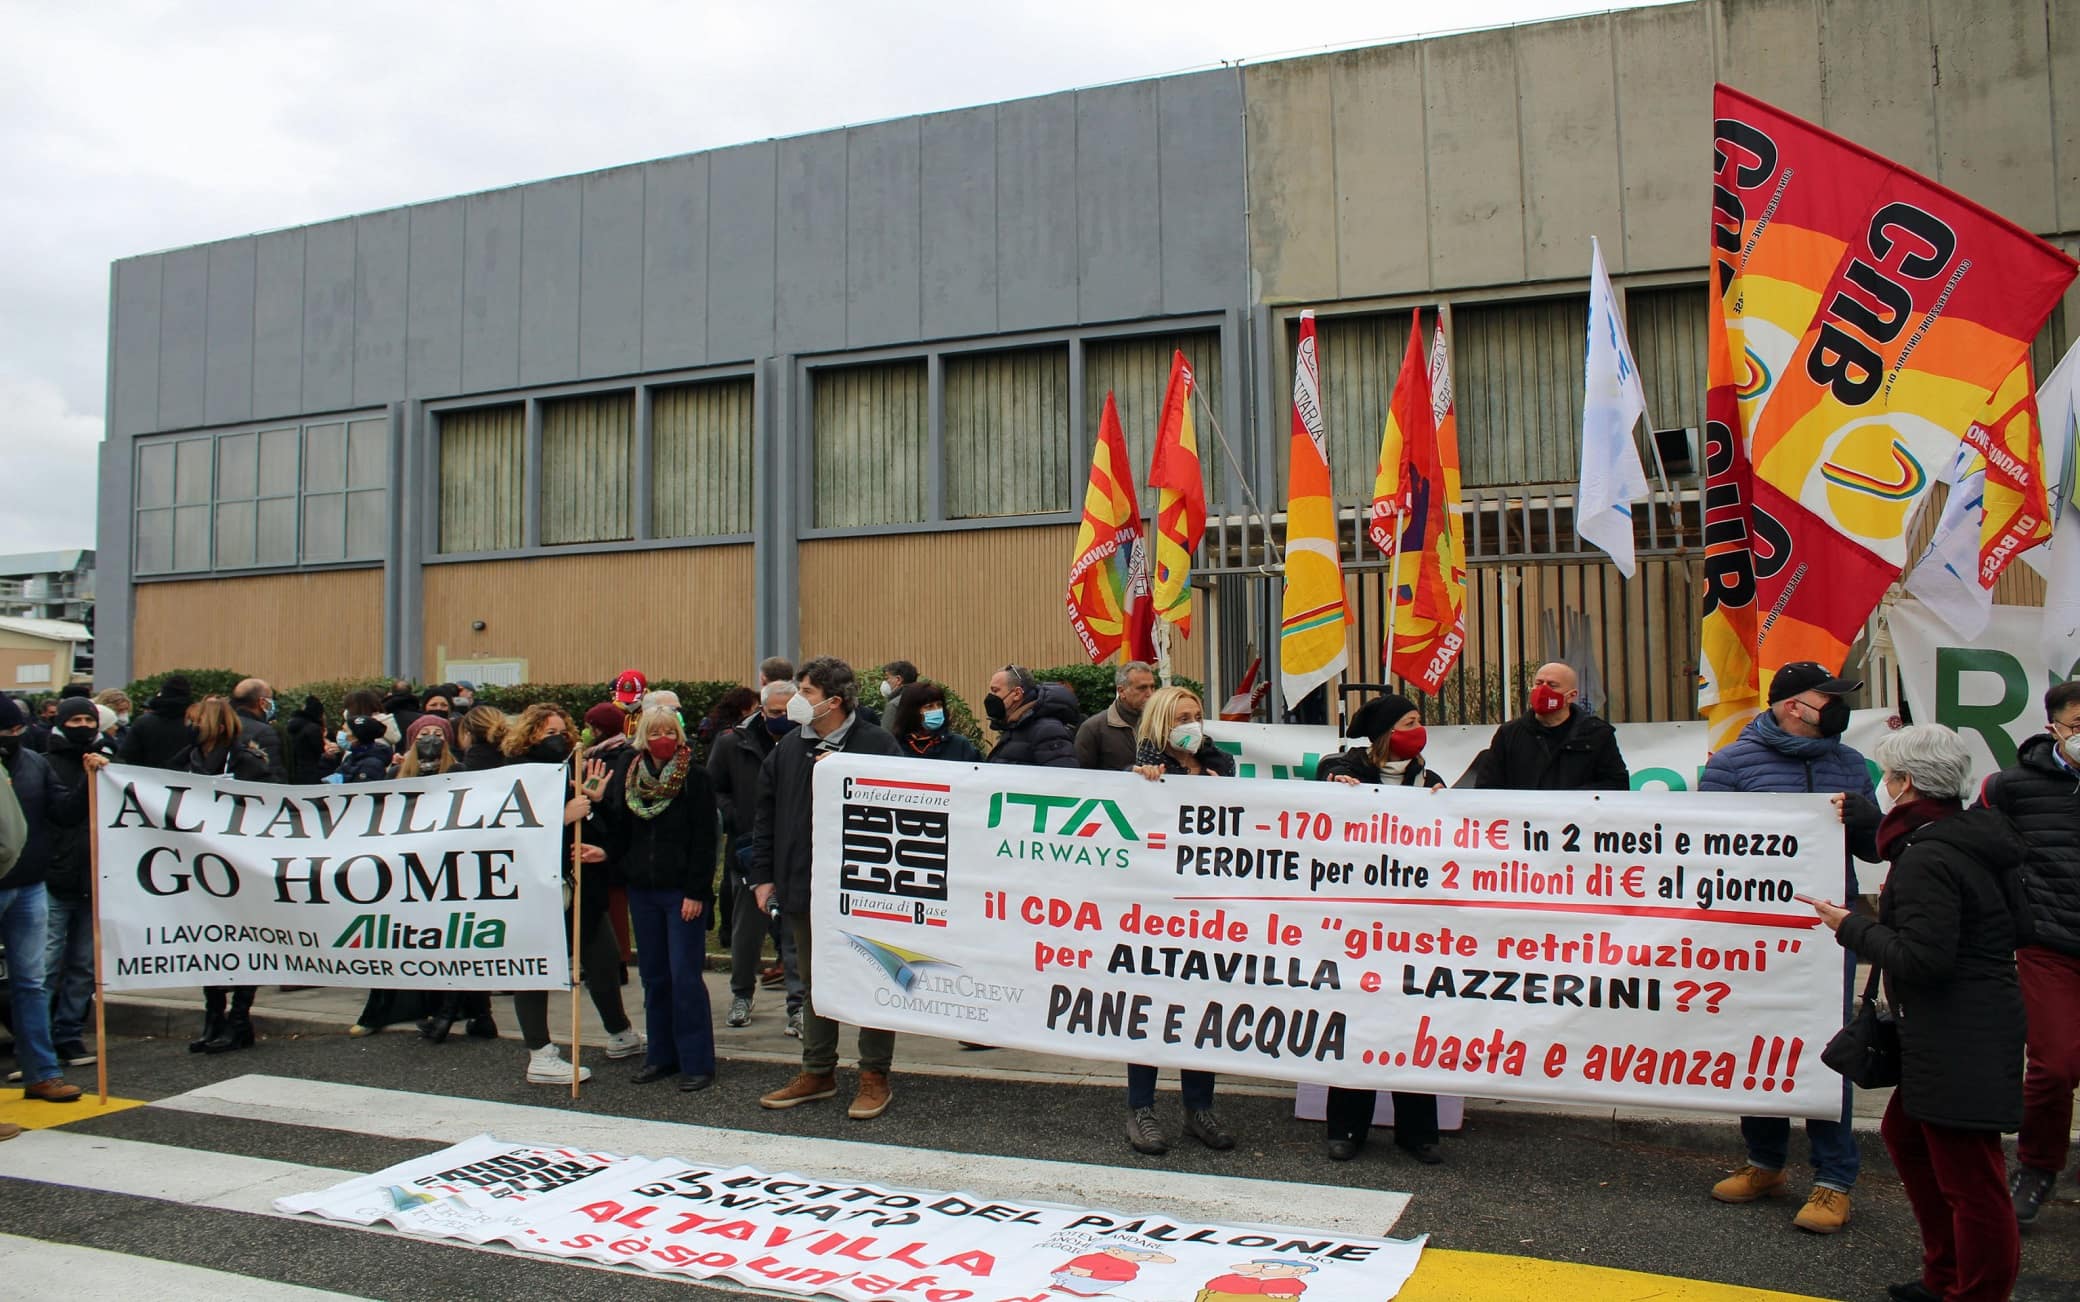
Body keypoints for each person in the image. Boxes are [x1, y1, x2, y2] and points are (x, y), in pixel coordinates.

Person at [1801, 725, 2026, 1302]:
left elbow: (1925, 958)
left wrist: (1849, 926)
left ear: (1905, 783)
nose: (1883, 785)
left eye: (1888, 777)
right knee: (1907, 1135)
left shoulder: (1929, 855)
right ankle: (1945, 1276)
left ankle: (1973, 1291)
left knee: (1972, 1181)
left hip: (1959, 1030)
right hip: (1962, 1025)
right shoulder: (1968, 834)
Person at [1700, 661, 1880, 1232]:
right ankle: (1765, 1161)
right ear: (1791, 705)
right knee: (1760, 1040)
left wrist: (1868, 819)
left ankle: (1833, 1179)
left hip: (1833, 929)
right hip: (1756, 931)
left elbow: (1875, 851)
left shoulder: (1849, 763)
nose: (1837, 706)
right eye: (1827, 696)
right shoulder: (1731, 764)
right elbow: (1706, 850)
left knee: (1832, 1046)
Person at [752, 657, 903, 1119]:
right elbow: (766, 814)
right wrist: (763, 875)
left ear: (834, 702)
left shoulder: (877, 745)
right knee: (817, 980)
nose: (797, 700)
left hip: (867, 889)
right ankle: (818, 1070)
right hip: (804, 885)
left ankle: (874, 1075)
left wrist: (849, 772)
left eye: (807, 692)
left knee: (874, 976)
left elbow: (901, 810)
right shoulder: (789, 747)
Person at [1314, 694, 1446, 1165]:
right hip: (1356, 922)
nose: (1419, 728)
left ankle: (1418, 1131)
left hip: (1410, 924)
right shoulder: (1342, 767)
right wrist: (1335, 786)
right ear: (1388, 731)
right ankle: (1346, 1127)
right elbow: (1321, 789)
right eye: (1410, 721)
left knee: (1411, 1021)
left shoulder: (1430, 780)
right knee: (1356, 1019)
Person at [1978, 679, 2080, 1226]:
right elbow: (1978, 851)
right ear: (2054, 728)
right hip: (2049, 943)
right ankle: (2038, 1166)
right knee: (2055, 1065)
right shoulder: (2009, 788)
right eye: (2079, 726)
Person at [500, 703, 642, 1084]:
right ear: (529, 735)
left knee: (603, 958)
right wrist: (560, 819)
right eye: (549, 733)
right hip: (536, 890)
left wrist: (592, 807)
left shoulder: (565, 773)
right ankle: (540, 1052)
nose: (559, 739)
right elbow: (510, 832)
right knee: (535, 968)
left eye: (563, 731)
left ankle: (619, 1032)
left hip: (579, 888)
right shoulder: (517, 777)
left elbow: (597, 830)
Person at [1125, 684, 1235, 1154]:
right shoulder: (1140, 769)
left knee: (1200, 1007)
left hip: (1206, 906)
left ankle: (1198, 1108)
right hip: (1154, 908)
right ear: (1160, 722)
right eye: (1180, 717)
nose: (1191, 724)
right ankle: (1141, 1109)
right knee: (1148, 1006)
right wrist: (1140, 780)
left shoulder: (1221, 764)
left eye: (1196, 715)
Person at [608, 706, 719, 1090]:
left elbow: (706, 841)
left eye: (669, 732)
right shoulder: (629, 776)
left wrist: (697, 892)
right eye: (655, 732)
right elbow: (619, 827)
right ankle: (661, 1055)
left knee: (685, 977)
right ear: (643, 736)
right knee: (654, 977)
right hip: (643, 889)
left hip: (680, 893)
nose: (663, 739)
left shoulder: (695, 779)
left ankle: (696, 1061)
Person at [711, 680, 805, 1033]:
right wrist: (735, 817)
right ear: (760, 710)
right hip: (750, 850)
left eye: (788, 712)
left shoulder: (807, 742)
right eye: (775, 713)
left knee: (795, 935)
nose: (782, 719)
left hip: (797, 851)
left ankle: (798, 1006)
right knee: (746, 930)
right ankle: (741, 993)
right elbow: (715, 787)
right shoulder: (734, 743)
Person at [0, 696, 81, 1101]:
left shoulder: (34, 763)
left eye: (17, 730)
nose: (13, 738)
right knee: (30, 982)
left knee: (31, 983)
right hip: (19, 883)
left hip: (30, 885)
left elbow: (63, 812)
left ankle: (41, 1073)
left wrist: (88, 779)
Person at [185, 696, 273, 1052]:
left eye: (197, 720)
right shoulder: (188, 759)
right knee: (211, 939)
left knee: (243, 938)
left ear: (217, 725)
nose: (190, 726)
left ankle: (239, 1019)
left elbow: (268, 801)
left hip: (240, 862)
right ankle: (214, 1017)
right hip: (203, 863)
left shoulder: (246, 761)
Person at [38, 697, 107, 1071]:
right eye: (75, 719)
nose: (83, 725)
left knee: (82, 965)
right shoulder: (47, 764)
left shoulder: (110, 762)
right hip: (57, 876)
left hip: (93, 879)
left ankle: (68, 1035)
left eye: (88, 719)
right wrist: (88, 779)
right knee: (46, 967)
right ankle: (38, 1039)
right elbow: (63, 814)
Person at [1458, 662, 1627, 790]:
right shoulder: (1510, 733)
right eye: (1539, 683)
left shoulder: (1596, 734)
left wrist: (1570, 802)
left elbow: (1616, 784)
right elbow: (1487, 786)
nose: (1543, 690)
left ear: (1571, 696)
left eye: (1552, 685)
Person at [984, 664, 1079, 768]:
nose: (991, 697)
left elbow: (1063, 777)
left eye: (995, 690)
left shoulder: (1047, 731)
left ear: (1017, 694)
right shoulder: (1015, 728)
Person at [1075, 660, 1157, 772]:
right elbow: (1081, 776)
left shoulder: (1161, 724)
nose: (1150, 694)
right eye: (1142, 688)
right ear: (1122, 691)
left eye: (1152, 687)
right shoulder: (1093, 728)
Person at [889, 680, 982, 763]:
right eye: (929, 706)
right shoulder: (894, 745)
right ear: (912, 711)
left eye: (939, 705)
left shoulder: (959, 745)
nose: (937, 710)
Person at [119, 675, 194, 769]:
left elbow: (127, 756)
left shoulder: (142, 723)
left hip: (147, 779)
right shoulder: (194, 725)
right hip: (185, 780)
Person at [230, 678, 288, 782]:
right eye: (271, 699)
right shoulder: (264, 732)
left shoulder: (223, 727)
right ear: (262, 702)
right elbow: (272, 772)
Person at [282, 695, 337, 783]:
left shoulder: (292, 727)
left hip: (294, 773)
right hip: (311, 774)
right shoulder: (313, 729)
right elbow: (320, 751)